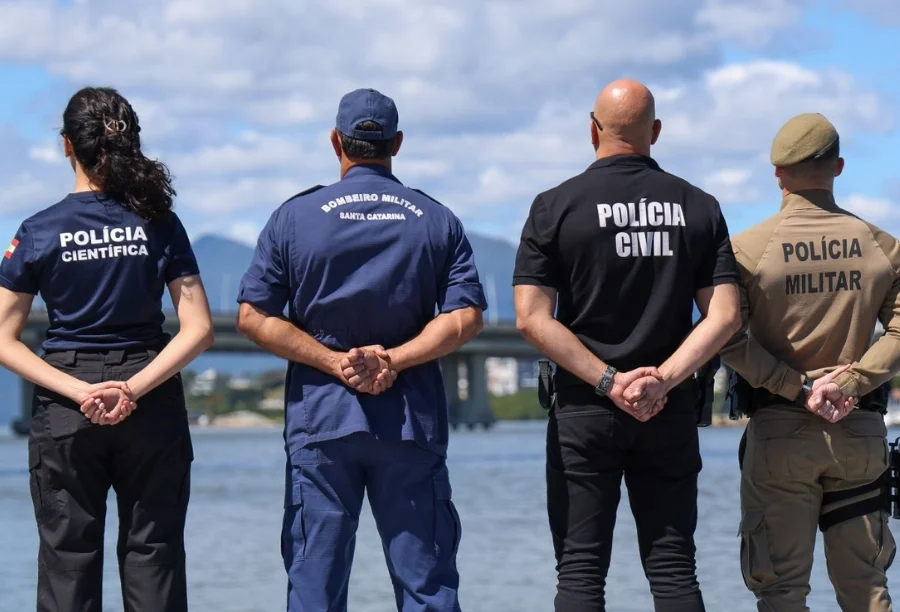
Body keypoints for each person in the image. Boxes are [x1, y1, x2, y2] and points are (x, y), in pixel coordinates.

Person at [235, 87, 487, 612]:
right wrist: (394, 360)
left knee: (315, 588)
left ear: (336, 142)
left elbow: (252, 317)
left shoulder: (295, 218)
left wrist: (332, 362)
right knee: (428, 587)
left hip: (322, 422)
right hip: (409, 425)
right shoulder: (437, 219)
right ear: (396, 143)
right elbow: (465, 318)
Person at [513, 79, 742, 612]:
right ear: (655, 132)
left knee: (580, 572)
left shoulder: (555, 207)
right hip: (668, 409)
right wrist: (662, 378)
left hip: (584, 411)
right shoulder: (699, 207)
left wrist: (609, 381)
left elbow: (530, 319)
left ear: (592, 130)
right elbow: (725, 316)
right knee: (673, 570)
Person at [0, 87, 214, 612]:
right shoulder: (160, 221)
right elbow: (199, 329)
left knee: (67, 560)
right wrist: (132, 389)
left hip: (68, 408)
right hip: (150, 398)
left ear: (67, 145)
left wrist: (81, 391)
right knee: (154, 555)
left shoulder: (39, 230)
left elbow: (3, 337)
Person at [719, 112, 899, 611]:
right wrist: (854, 382)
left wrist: (795, 387)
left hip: (779, 436)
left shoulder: (748, 250)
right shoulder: (883, 247)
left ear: (777, 174)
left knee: (780, 591)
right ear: (838, 167)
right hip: (859, 433)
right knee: (866, 589)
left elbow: (726, 337)